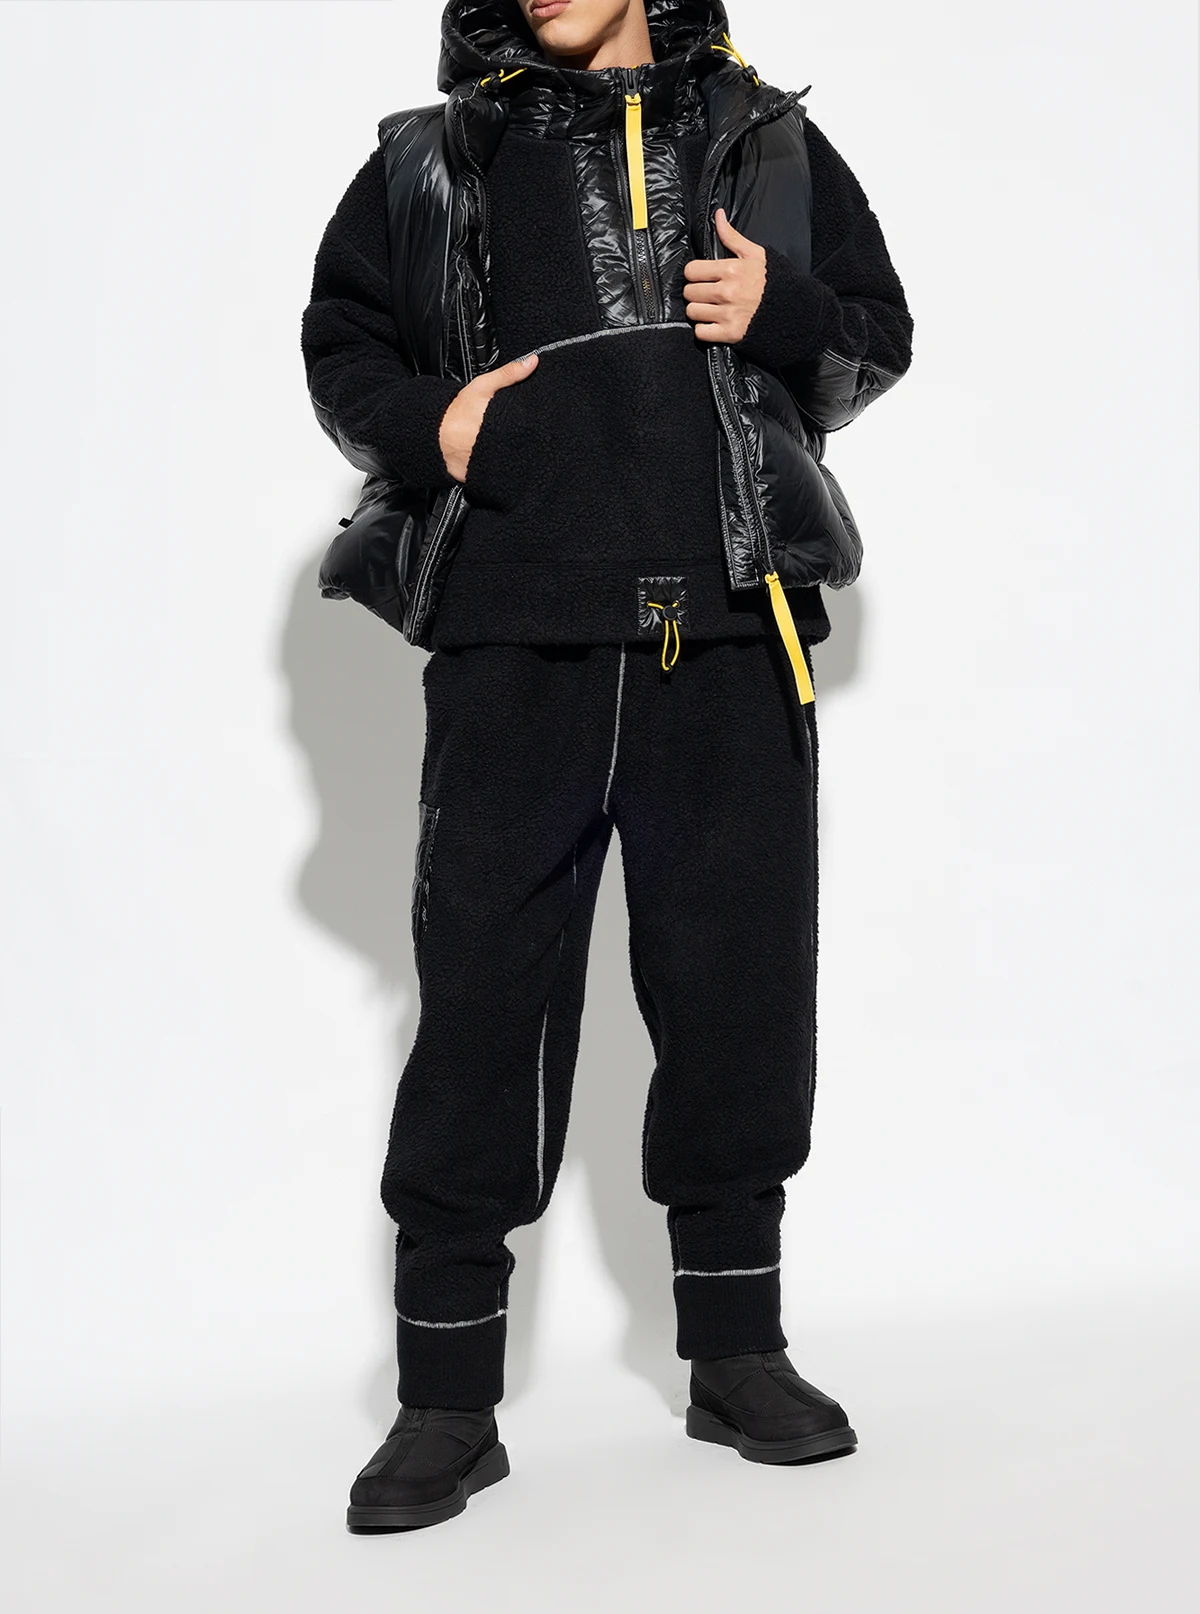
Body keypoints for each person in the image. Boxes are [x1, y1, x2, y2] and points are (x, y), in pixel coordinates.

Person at [301, 0, 913, 1533]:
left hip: (732, 635)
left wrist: (781, 311)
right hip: (514, 645)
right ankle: (447, 1397)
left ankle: (737, 1353)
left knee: (738, 993)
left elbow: (874, 338)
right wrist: (432, 423)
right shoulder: (437, 158)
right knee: (482, 1009)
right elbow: (343, 343)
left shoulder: (766, 140)